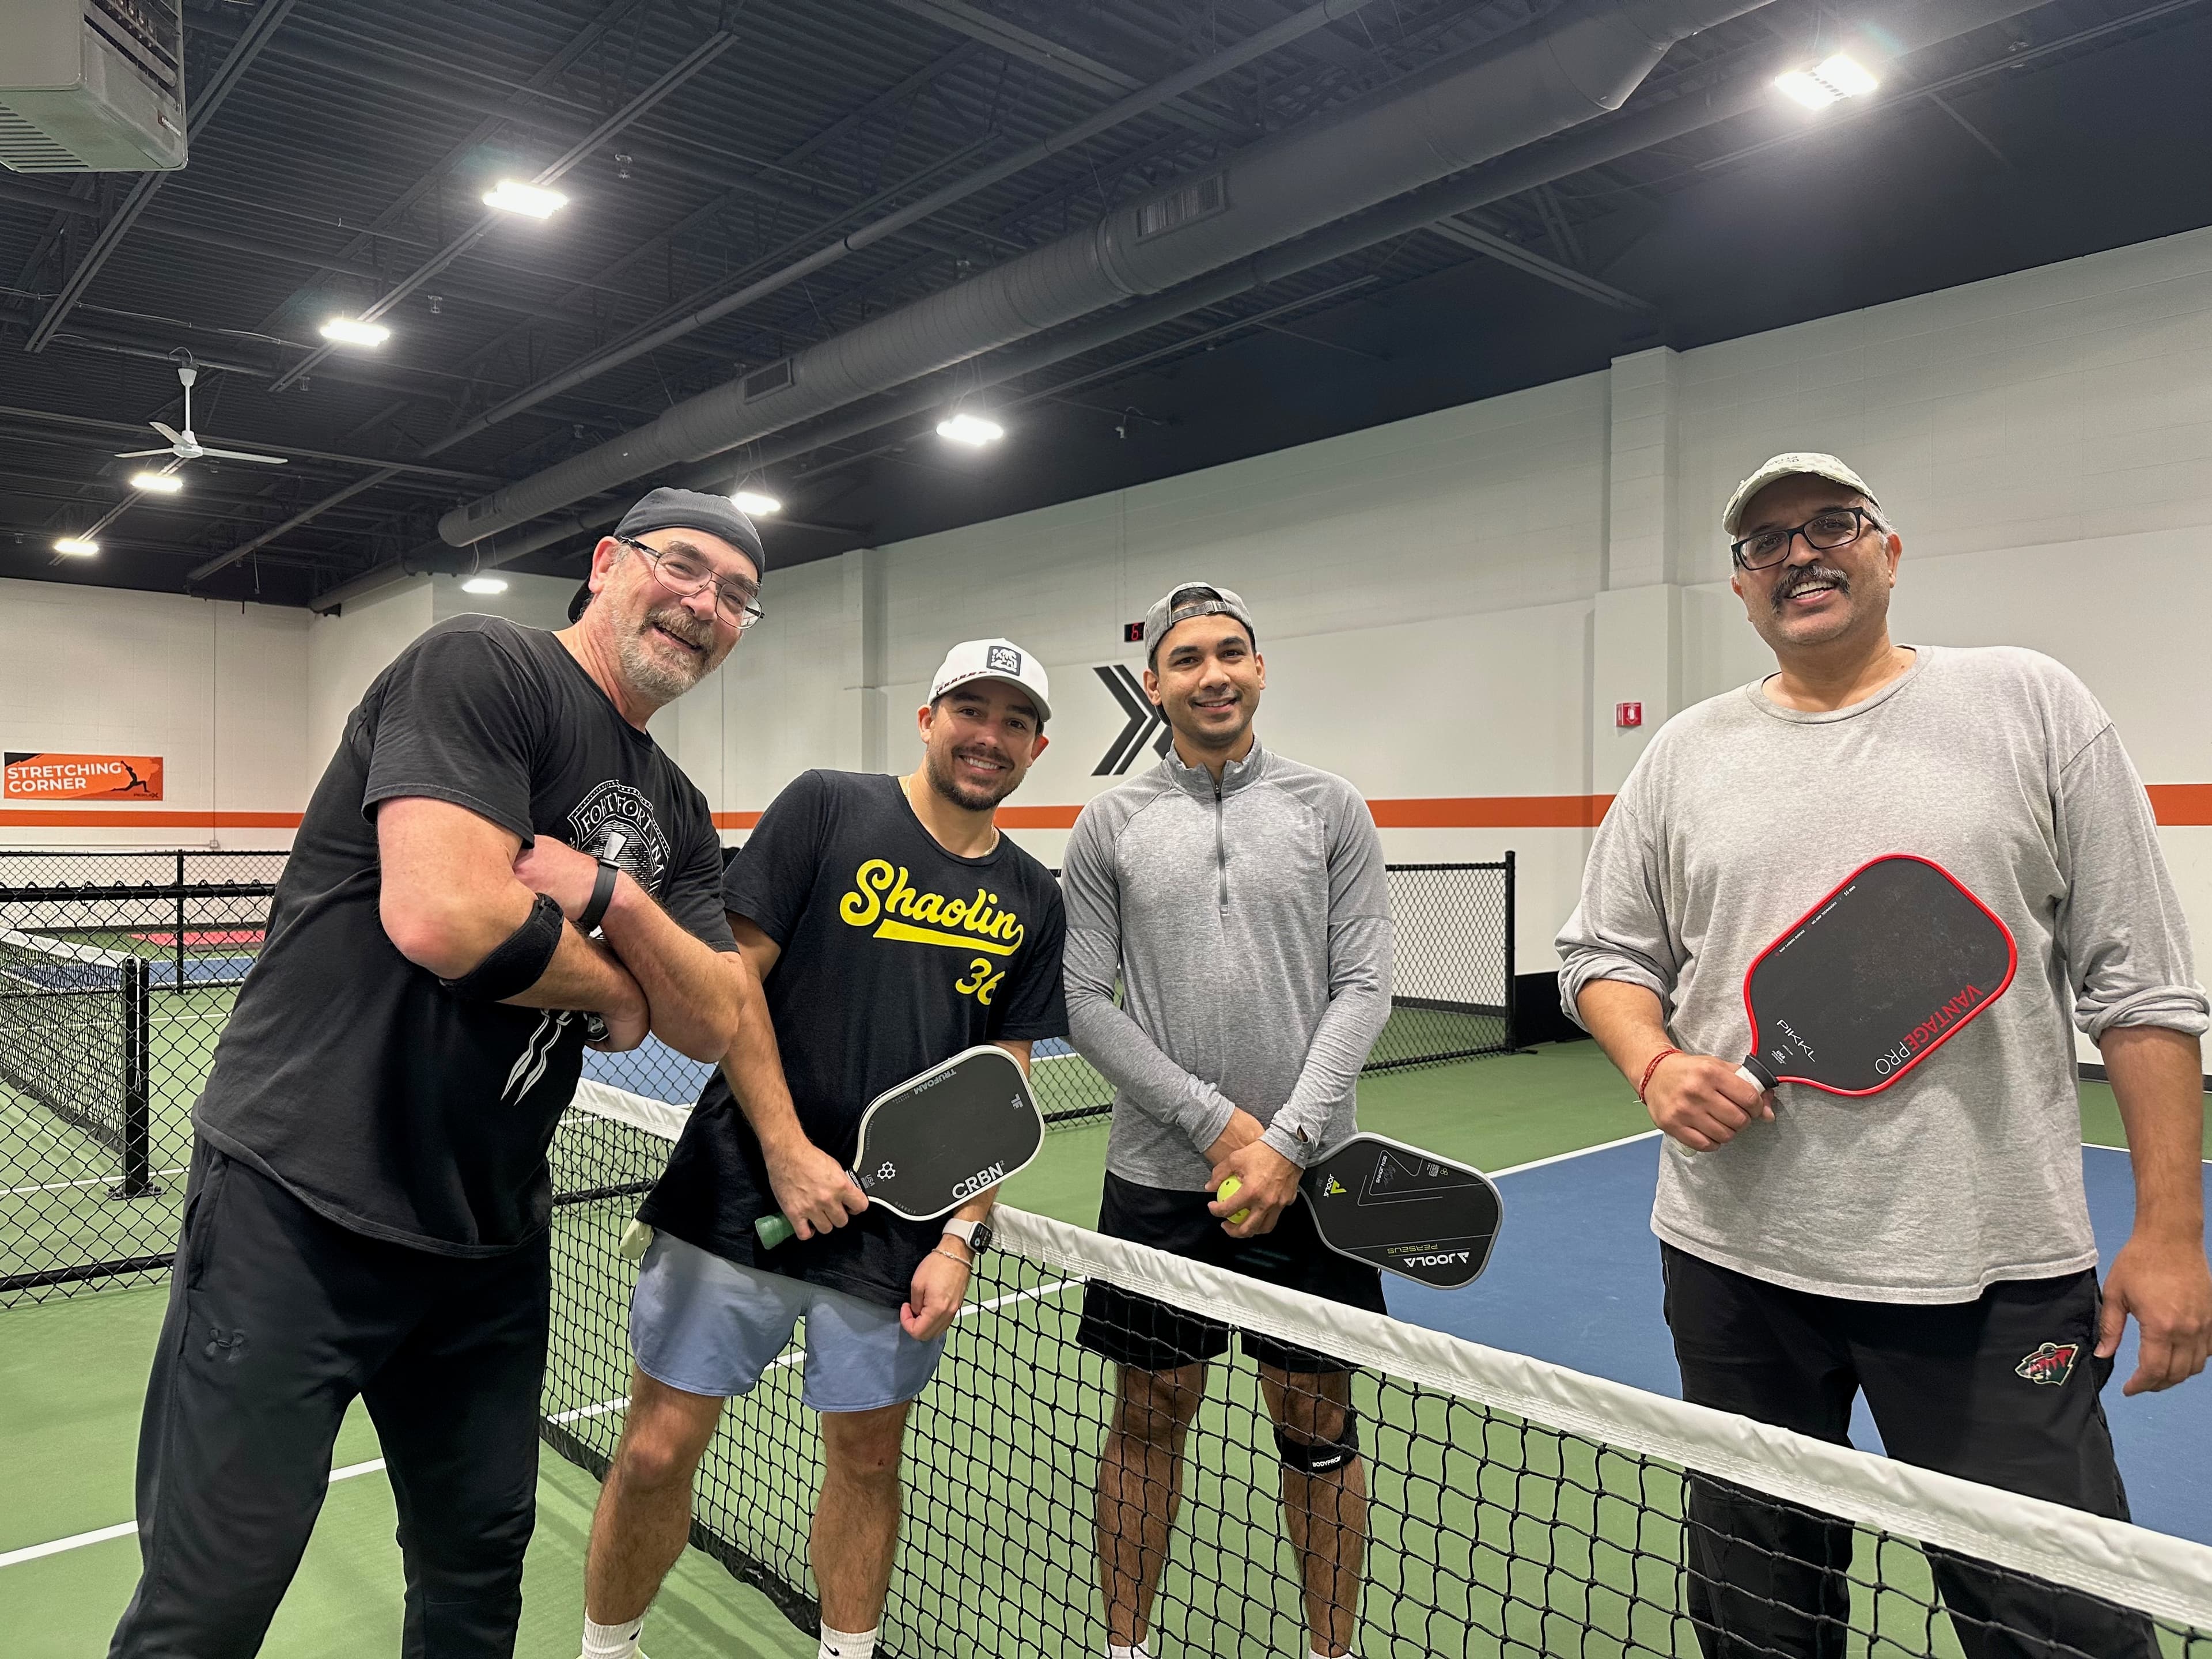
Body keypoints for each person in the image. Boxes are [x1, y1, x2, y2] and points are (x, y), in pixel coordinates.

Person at [1558, 452, 2212, 1659]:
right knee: (1762, 1619)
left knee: (2057, 1626)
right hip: (1734, 1266)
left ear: (1889, 552)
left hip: (1991, 1273)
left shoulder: (2031, 704)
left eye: (1833, 524)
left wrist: (2171, 1233)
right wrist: (1651, 1061)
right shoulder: (1685, 754)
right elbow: (1602, 951)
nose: (1800, 553)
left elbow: (2144, 987)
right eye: (1766, 542)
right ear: (1741, 587)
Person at [109, 487, 768, 1659]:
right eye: (683, 567)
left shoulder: (678, 810)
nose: (703, 604)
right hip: (300, 1208)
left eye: (736, 597)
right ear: (608, 563)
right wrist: (623, 991)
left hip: (486, 1242)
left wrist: (613, 898)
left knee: (476, 1583)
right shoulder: (484, 668)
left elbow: (718, 1016)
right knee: (208, 1605)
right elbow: (447, 917)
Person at [579, 638, 1069, 1659]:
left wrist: (961, 1239)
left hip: (899, 1231)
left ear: (1037, 748)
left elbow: (1003, 1085)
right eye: (971, 710)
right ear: (928, 719)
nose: (990, 736)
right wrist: (788, 1150)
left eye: (1015, 722)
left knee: (867, 1462)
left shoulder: (1034, 895)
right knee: (657, 1451)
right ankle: (607, 1649)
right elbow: (732, 984)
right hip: (739, 1191)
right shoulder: (828, 807)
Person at [1061, 583, 1395, 1659]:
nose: (1214, 674)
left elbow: (1365, 986)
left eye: (1232, 653)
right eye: (1189, 658)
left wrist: (1286, 1146)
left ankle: (1334, 1651)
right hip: (1160, 1184)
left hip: (1315, 1183)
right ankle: (1126, 1650)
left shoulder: (1330, 807)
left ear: (1258, 668)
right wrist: (1220, 1131)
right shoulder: (1109, 823)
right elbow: (1081, 1001)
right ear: (1152, 685)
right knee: (1149, 1416)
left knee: (1317, 1422)